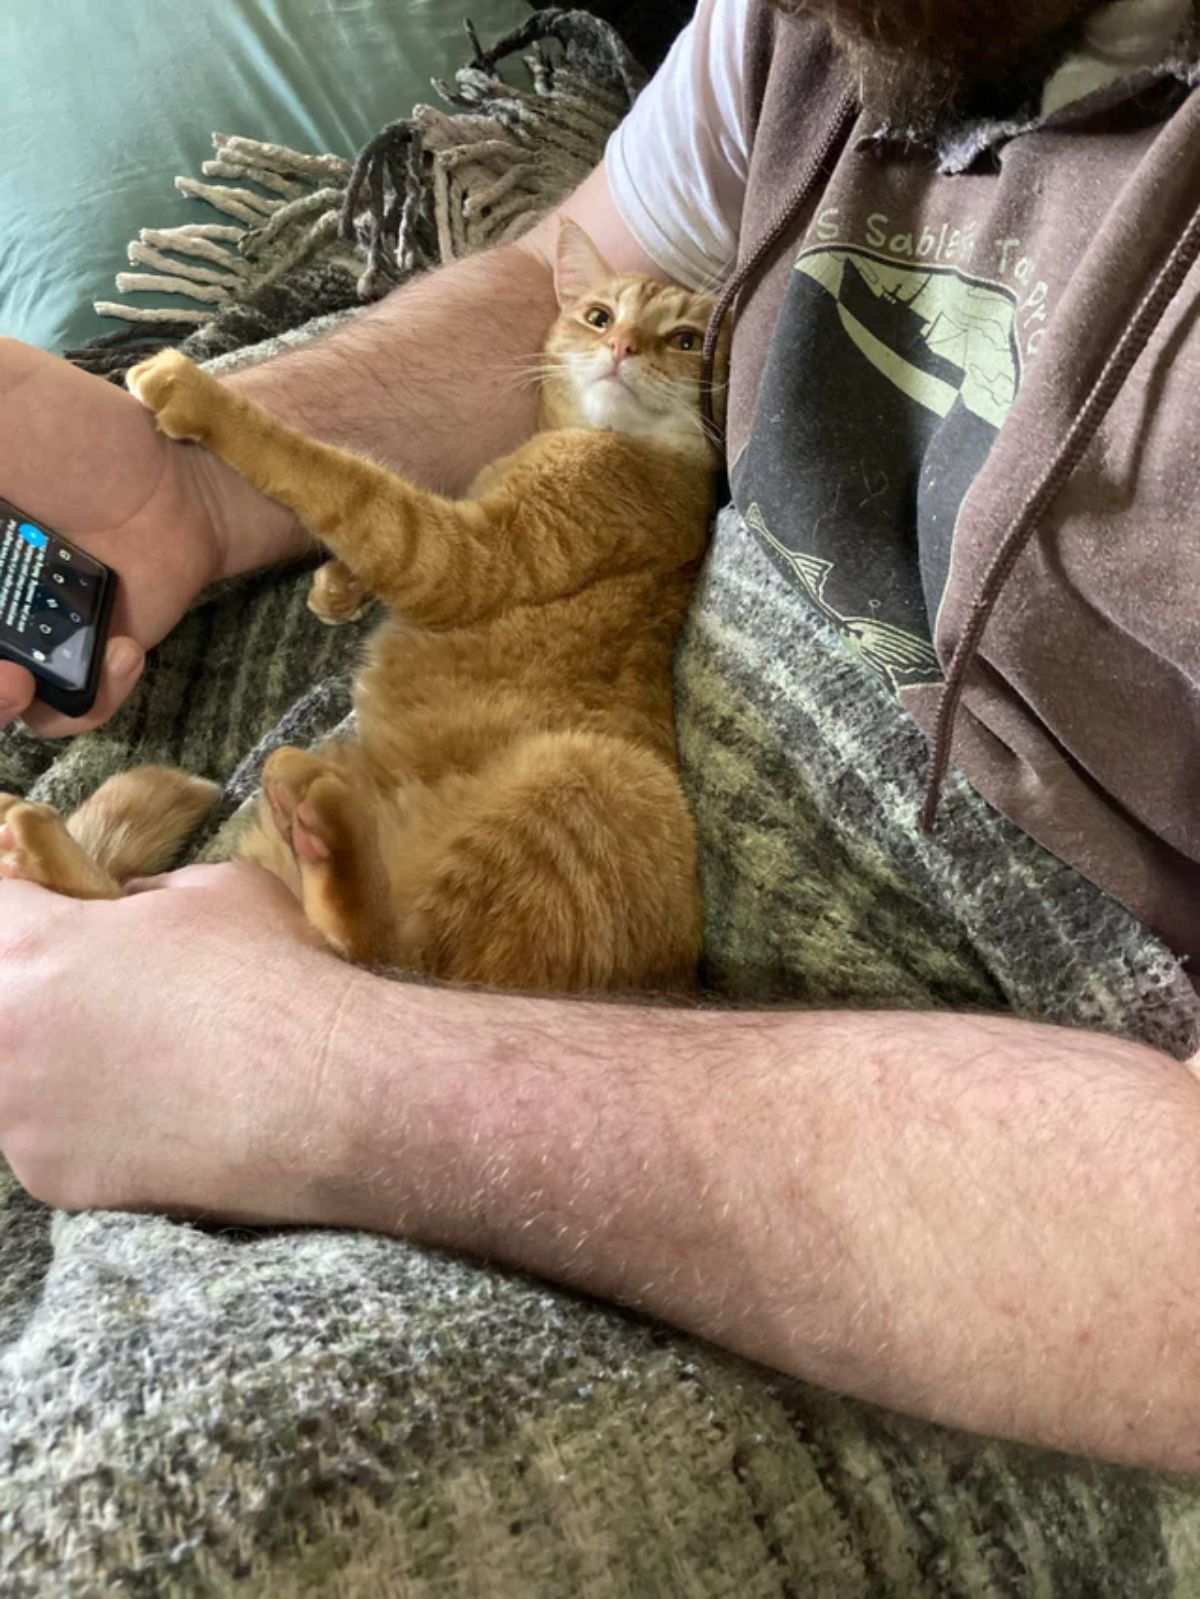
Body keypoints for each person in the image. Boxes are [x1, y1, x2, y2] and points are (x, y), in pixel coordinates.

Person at [2, 0, 1199, 1473]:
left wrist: (318, 1068)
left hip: (955, 1223)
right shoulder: (812, 25)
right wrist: (182, 488)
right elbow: (560, 288)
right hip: (509, 763)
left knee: (118, 1494)